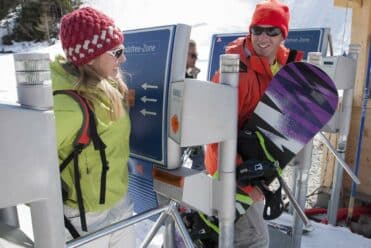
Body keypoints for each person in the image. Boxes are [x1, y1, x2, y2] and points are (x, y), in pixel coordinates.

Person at [205, 0, 304, 247]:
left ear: (283, 34)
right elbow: (216, 129)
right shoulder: (236, 69)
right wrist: (242, 177)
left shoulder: (284, 66)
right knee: (254, 239)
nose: (263, 37)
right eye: (257, 30)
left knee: (242, 234)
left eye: (272, 31)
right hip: (229, 166)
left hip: (256, 162)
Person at [51, 6, 135, 247]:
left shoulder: (109, 85)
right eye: (117, 52)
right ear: (91, 57)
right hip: (85, 219)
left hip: (120, 204)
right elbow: (21, 162)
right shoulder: (66, 107)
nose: (123, 58)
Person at [183, 39, 205, 171]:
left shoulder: (189, 75)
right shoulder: (175, 75)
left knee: (201, 162)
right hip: (178, 130)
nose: (195, 59)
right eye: (192, 56)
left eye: (196, 56)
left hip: (189, 128)